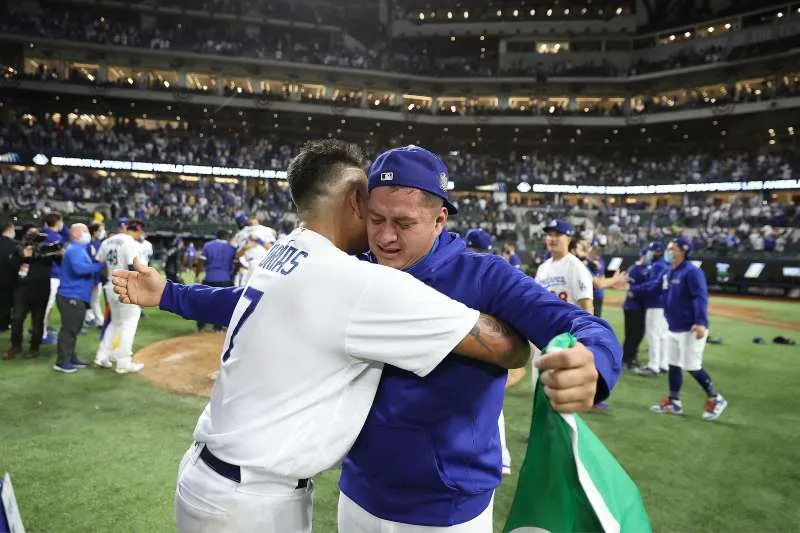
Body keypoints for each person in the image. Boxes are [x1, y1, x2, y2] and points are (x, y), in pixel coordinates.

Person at [111, 140, 531, 533]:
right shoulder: (354, 279)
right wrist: (519, 345)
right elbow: (502, 347)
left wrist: (169, 294)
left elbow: (239, 300)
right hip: (252, 502)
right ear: (355, 201)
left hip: (211, 478)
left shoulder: (287, 249)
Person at [337, 146, 620, 532]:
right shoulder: (353, 269)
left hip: (447, 511)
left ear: (439, 220)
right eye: (376, 219)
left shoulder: (485, 277)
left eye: (404, 223)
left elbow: (580, 324)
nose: (385, 236)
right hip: (356, 493)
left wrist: (594, 360)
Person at [465, 228, 523, 477]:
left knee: (489, 408)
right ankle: (498, 458)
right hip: (479, 351)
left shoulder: (492, 276)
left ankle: (500, 458)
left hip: (487, 354)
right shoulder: (488, 274)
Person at [650, 237, 728, 421]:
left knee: (692, 366)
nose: (668, 251)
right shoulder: (670, 271)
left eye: (672, 248)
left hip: (690, 328)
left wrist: (700, 322)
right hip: (674, 326)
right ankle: (674, 401)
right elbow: (655, 288)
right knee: (673, 364)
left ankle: (716, 398)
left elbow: (700, 297)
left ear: (682, 251)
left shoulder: (692, 272)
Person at [94, 220, 147, 374]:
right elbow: (133, 268)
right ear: (138, 231)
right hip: (126, 288)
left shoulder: (107, 241)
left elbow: (101, 265)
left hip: (111, 285)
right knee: (128, 325)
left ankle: (102, 356)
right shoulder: (131, 243)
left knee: (115, 323)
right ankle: (123, 362)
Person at [54, 224, 105, 373]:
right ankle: (62, 362)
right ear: (76, 233)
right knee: (69, 330)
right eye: (85, 231)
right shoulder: (75, 249)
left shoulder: (78, 248)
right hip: (71, 295)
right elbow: (79, 269)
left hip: (75, 295)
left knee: (74, 329)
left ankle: (71, 357)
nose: (87, 234)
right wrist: (100, 266)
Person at [4, 224, 59, 359]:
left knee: (38, 320)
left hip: (41, 289)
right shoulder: (18, 248)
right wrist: (23, 256)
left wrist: (57, 252)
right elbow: (13, 266)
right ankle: (15, 346)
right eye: (31, 234)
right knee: (17, 318)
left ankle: (34, 348)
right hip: (22, 289)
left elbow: (59, 259)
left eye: (36, 234)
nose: (34, 237)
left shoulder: (46, 248)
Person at [628, 241, 671, 377]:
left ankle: (653, 366)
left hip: (655, 304)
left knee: (653, 336)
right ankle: (664, 364)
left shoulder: (657, 265)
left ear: (657, 252)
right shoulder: (665, 264)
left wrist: (634, 289)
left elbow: (653, 285)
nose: (649, 253)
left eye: (651, 251)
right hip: (664, 304)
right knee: (663, 336)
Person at [535, 220, 593, 312]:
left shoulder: (576, 267)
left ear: (568, 240)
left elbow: (587, 307)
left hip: (568, 321)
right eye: (549, 235)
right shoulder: (542, 268)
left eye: (558, 234)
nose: (552, 239)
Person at [196, 230, 236, 332]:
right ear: (227, 237)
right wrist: (232, 274)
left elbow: (201, 261)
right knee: (222, 304)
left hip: (209, 277)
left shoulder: (208, 245)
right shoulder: (232, 248)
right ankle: (218, 328)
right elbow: (237, 262)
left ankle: (200, 327)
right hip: (225, 278)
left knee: (204, 303)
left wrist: (197, 274)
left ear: (216, 236)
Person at [622, 247, 649, 370]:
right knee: (632, 334)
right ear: (642, 255)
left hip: (641, 306)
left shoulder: (649, 268)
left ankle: (631, 357)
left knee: (639, 334)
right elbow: (629, 289)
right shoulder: (634, 268)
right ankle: (627, 359)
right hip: (632, 307)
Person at [41, 211, 65, 343]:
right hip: (52, 275)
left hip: (40, 273)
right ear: (57, 222)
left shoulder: (40, 233)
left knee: (43, 305)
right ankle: (42, 334)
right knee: (47, 306)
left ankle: (42, 329)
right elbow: (60, 257)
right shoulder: (56, 237)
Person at [84, 222, 106, 328]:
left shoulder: (99, 243)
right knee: (90, 299)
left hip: (96, 275)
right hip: (89, 275)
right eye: (100, 230)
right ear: (94, 232)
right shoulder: (88, 244)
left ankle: (92, 318)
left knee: (93, 299)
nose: (102, 232)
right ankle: (97, 320)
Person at [0, 218, 16, 332]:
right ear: (9, 229)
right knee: (5, 304)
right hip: (8, 279)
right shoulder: (14, 245)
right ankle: (3, 325)